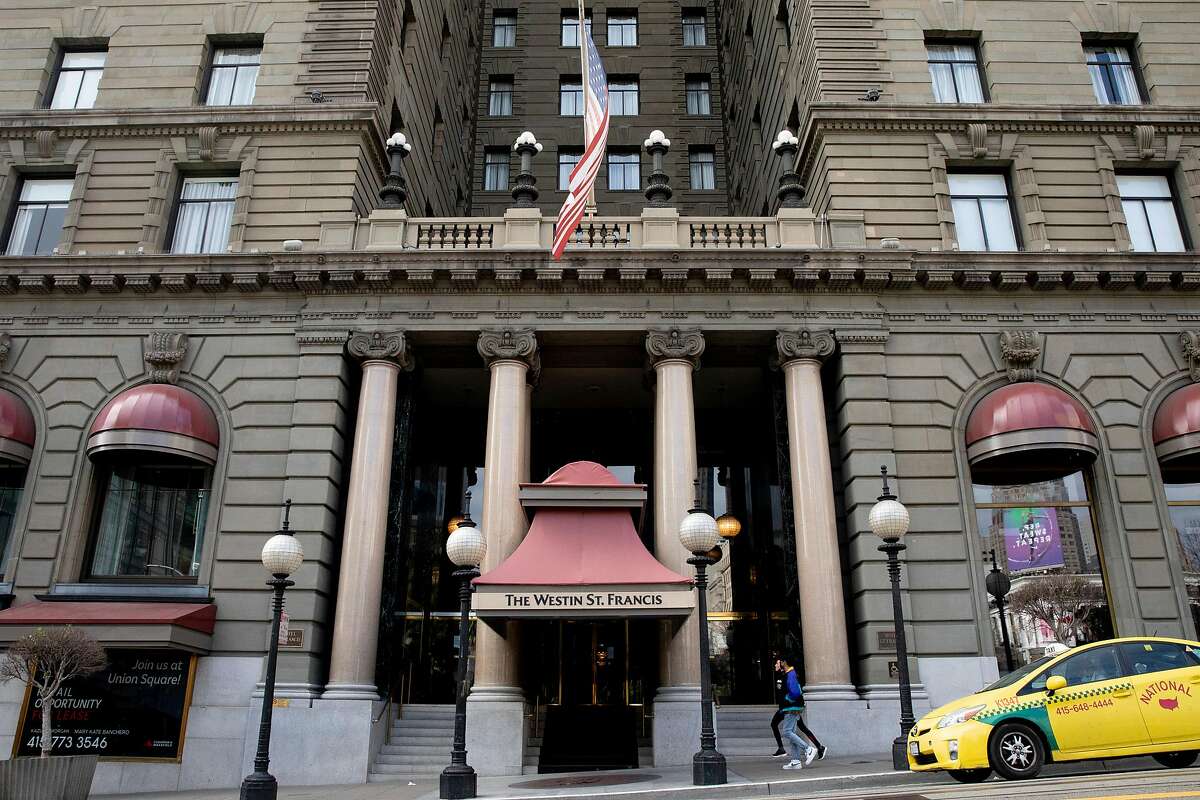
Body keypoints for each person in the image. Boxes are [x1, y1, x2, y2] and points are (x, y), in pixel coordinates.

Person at [776, 656, 827, 769]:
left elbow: (795, 692)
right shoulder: (789, 674)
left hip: (791, 708)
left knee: (787, 732)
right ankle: (796, 761)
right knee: (792, 732)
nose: (777, 663)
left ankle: (808, 749)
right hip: (792, 707)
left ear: (784, 662)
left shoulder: (791, 674)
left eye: (779, 661)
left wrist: (786, 699)